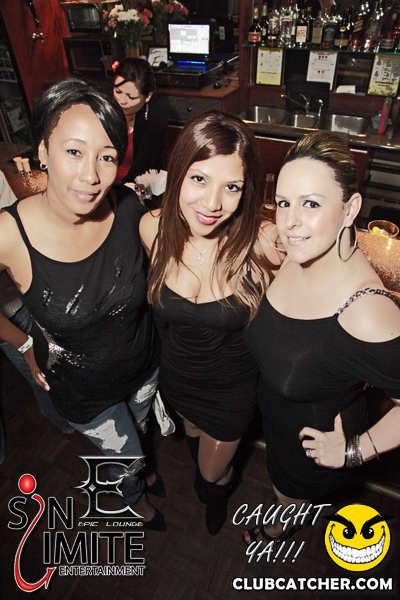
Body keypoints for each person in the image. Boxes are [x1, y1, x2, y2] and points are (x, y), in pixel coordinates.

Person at [0, 78, 165, 530]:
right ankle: (134, 497)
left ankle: (141, 470)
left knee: (140, 433)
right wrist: (21, 343)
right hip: (83, 390)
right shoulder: (9, 233)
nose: (91, 175)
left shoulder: (127, 205)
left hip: (144, 367)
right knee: (125, 457)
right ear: (42, 150)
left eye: (106, 156)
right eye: (74, 151)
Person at [243, 131, 400, 545]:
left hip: (310, 452)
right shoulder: (299, 250)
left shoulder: (366, 311)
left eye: (311, 204)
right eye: (284, 202)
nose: (290, 221)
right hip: (276, 424)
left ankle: (281, 527)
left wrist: (354, 450)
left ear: (350, 209)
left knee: (287, 498)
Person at [140, 110, 281, 535]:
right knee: (192, 434)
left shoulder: (264, 242)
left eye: (231, 186)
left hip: (231, 390)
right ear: (178, 173)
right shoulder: (152, 229)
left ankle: (217, 491)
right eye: (200, 179)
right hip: (178, 376)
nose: (213, 203)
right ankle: (211, 484)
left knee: (211, 471)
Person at [112, 58, 168, 184]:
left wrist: (122, 190)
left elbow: (143, 164)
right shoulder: (106, 104)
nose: (122, 101)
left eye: (131, 97)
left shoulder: (156, 114)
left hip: (134, 184)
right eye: (118, 91)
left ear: (148, 96)